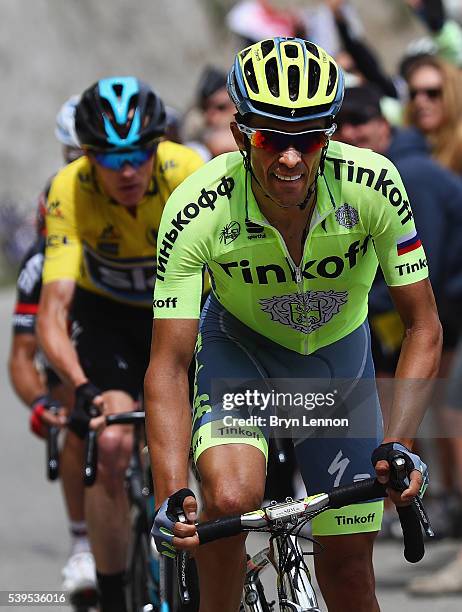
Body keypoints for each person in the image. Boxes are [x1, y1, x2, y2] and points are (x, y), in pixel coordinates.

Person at [146, 38, 441, 612]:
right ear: (238, 134)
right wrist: (171, 495)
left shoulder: (374, 184)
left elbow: (423, 327)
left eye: (308, 139)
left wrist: (400, 446)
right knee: (229, 500)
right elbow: (169, 363)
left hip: (337, 365)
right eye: (269, 138)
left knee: (352, 571)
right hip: (241, 357)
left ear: (328, 135)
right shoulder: (197, 206)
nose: (290, 158)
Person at [36, 76, 204, 612]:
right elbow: (55, 309)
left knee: (201, 441)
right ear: (87, 157)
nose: (127, 169)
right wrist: (81, 387)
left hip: (182, 315)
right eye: (110, 159)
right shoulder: (70, 187)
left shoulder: (187, 172)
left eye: (138, 153)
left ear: (159, 145)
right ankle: (111, 597)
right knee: (109, 443)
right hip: (107, 318)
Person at [335, 83, 462, 537]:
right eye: (342, 124)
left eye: (362, 121)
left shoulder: (404, 173)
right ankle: (441, 503)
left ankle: (452, 512)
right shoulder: (379, 171)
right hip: (442, 302)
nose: (352, 132)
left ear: (385, 125)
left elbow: (422, 261)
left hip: (449, 301)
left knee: (450, 409)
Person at [8, 96, 96, 609]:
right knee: (72, 407)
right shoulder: (59, 200)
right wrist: (43, 405)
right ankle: (82, 539)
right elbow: (22, 354)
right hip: (76, 338)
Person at [403, 54, 462, 175]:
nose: (419, 101)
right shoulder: (403, 147)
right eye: (413, 94)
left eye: (432, 93)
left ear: (452, 94)